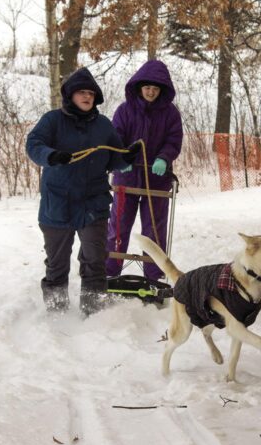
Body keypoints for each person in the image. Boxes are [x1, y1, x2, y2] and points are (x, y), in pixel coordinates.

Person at [26, 67, 140, 315]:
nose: (87, 97)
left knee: (95, 260)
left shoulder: (103, 126)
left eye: (90, 93)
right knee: (57, 263)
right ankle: (57, 313)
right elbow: (33, 144)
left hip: (93, 204)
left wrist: (126, 158)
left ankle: (93, 310)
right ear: (70, 95)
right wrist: (52, 156)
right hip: (58, 204)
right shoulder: (52, 120)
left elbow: (113, 160)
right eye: (81, 92)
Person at [106, 60, 183, 281]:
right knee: (118, 228)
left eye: (155, 89)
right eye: (147, 88)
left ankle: (153, 276)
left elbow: (174, 140)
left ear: (162, 90)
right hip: (126, 177)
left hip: (156, 179)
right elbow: (115, 137)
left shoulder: (170, 114)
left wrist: (164, 158)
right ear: (139, 87)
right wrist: (122, 157)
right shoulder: (125, 110)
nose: (151, 92)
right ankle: (110, 273)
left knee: (155, 231)